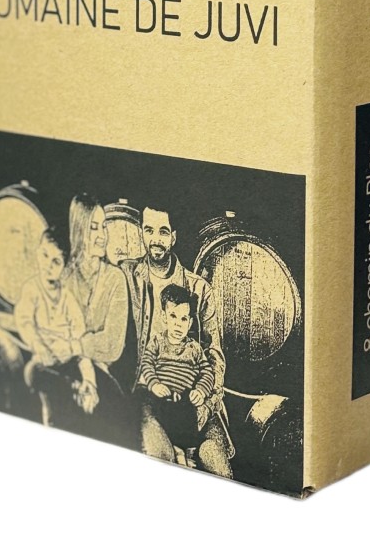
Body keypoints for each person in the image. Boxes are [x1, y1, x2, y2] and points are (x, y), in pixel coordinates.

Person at [120, 205, 233, 477]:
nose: (155, 239)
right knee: (161, 456)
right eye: (149, 230)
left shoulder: (199, 289)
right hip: (149, 395)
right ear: (141, 232)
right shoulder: (127, 276)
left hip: (194, 394)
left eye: (163, 232)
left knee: (214, 458)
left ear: (173, 237)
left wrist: (207, 400)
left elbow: (214, 356)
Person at [32, 193, 133, 447]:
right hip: (66, 369)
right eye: (93, 227)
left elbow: (112, 345)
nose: (102, 235)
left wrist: (75, 346)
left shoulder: (116, 279)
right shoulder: (64, 275)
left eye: (104, 226)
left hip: (104, 376)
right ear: (78, 231)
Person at [14, 227, 98, 421]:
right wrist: (40, 347)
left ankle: (83, 390)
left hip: (68, 361)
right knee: (32, 372)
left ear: (65, 267)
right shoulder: (32, 289)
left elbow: (80, 343)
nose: (48, 265)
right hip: (44, 361)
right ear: (38, 252)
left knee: (92, 383)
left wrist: (89, 380)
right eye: (44, 255)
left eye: (56, 261)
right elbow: (25, 322)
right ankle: (72, 389)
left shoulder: (68, 299)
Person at [137, 284, 215, 459]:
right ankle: (173, 451)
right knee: (150, 411)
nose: (178, 324)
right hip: (160, 396)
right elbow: (147, 362)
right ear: (164, 317)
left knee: (188, 418)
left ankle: (186, 454)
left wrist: (200, 391)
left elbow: (207, 372)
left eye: (183, 319)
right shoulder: (157, 341)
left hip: (183, 399)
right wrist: (154, 383)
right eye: (173, 316)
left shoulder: (194, 348)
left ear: (190, 322)